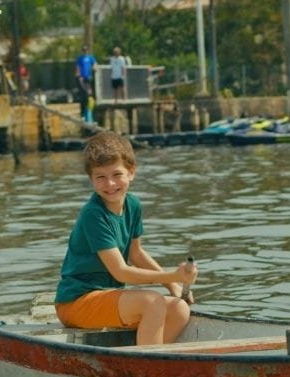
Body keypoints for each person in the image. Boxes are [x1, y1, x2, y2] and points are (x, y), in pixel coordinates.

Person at [55, 131, 197, 345]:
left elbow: (136, 253)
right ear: (91, 179)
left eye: (116, 174)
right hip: (76, 302)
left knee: (179, 309)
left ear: (131, 172)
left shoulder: (132, 204)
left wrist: (173, 285)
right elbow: (120, 272)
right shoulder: (93, 214)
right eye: (100, 177)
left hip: (108, 296)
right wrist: (173, 276)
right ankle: (148, 362)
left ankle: (143, 355)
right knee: (152, 302)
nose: (110, 184)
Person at [75, 45, 97, 122]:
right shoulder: (80, 58)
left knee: (90, 95)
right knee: (83, 96)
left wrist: (94, 67)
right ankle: (83, 114)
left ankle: (90, 112)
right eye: (83, 50)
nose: (85, 51)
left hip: (89, 78)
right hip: (82, 78)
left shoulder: (91, 57)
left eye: (86, 50)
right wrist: (78, 76)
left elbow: (95, 64)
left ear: (88, 50)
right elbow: (77, 67)